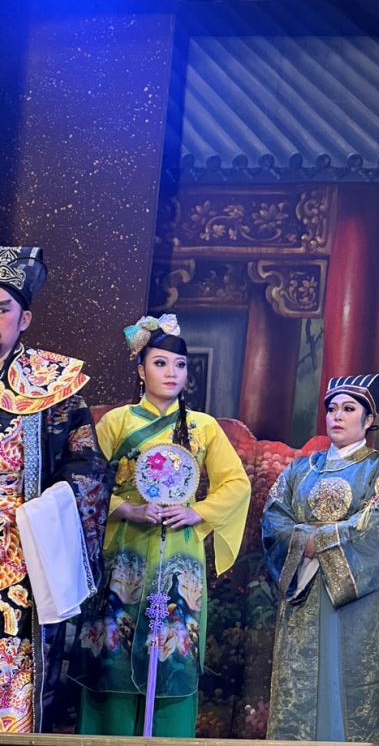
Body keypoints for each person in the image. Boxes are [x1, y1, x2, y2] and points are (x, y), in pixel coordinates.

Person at [75, 314, 251, 737]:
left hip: (179, 554)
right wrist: (126, 509)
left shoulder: (204, 427)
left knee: (173, 655)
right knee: (114, 658)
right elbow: (85, 483)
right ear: (140, 370)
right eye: (160, 363)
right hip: (124, 552)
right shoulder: (116, 422)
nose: (172, 372)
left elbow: (236, 483)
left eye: (180, 365)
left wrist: (198, 512)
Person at [263, 373, 379, 745]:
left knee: (352, 687)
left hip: (359, 602)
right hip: (306, 595)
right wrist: (303, 542)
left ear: (369, 420)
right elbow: (274, 518)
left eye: (349, 409)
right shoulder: (300, 470)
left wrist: (316, 541)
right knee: (305, 686)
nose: (337, 416)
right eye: (332, 409)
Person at [0, 245, 110, 733]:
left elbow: (87, 470)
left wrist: (39, 514)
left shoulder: (53, 389)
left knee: (16, 670)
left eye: (2, 308)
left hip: (23, 553)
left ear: (25, 319)